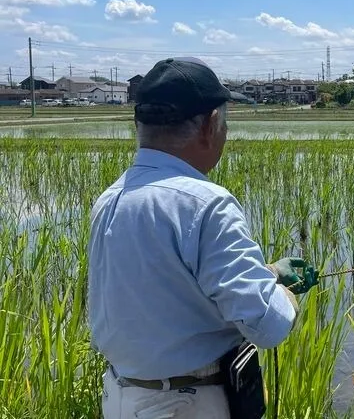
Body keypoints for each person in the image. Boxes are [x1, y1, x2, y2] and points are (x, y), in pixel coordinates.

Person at [87, 57, 317, 418]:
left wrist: (268, 273)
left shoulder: (112, 197)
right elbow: (266, 324)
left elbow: (168, 291)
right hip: (187, 404)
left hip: (121, 397)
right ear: (211, 125)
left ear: (138, 124)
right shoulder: (204, 203)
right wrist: (284, 294)